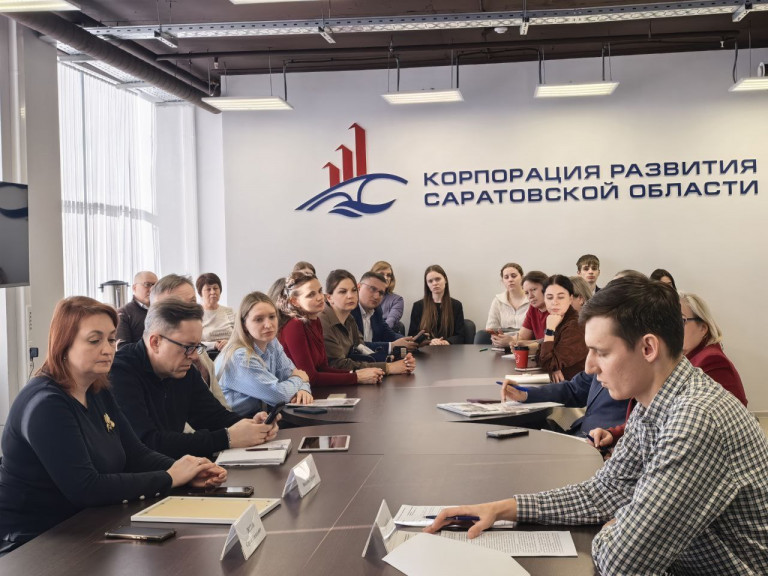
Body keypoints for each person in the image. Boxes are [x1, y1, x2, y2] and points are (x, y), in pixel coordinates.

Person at [428, 276, 768, 575]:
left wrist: (617, 526)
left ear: (648, 347)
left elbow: (623, 562)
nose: (589, 367)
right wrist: (504, 508)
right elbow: (605, 491)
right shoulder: (655, 401)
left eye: (601, 352)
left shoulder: (696, 419)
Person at [0, 297, 226, 552]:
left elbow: (136, 454)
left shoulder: (98, 389)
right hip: (33, 542)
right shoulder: (46, 404)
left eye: (110, 339)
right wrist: (169, 477)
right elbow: (86, 487)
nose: (107, 349)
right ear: (64, 344)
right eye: (94, 340)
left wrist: (187, 471)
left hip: (86, 525)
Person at [110, 299, 279, 459]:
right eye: (188, 347)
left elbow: (212, 416)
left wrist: (250, 425)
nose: (194, 356)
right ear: (155, 342)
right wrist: (227, 438)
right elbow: (147, 442)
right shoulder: (120, 372)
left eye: (197, 347)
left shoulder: (183, 368)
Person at [590, 290, 748, 449]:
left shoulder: (712, 361)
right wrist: (614, 434)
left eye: (680, 321)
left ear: (703, 327)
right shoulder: (680, 359)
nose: (671, 328)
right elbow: (654, 415)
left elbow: (693, 428)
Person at [277, 271, 384, 385]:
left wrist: (356, 373)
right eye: (311, 295)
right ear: (295, 301)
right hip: (297, 392)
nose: (319, 297)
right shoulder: (294, 325)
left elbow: (323, 367)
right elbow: (310, 377)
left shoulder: (315, 321)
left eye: (320, 291)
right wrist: (356, 377)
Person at [217, 292, 313, 416]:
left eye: (272, 317)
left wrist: (304, 391)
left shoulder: (272, 343)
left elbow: (292, 373)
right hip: (235, 423)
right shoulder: (239, 356)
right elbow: (278, 395)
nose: (268, 325)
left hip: (261, 418)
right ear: (244, 325)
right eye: (259, 319)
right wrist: (299, 379)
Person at [151, 274, 227, 408]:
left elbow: (219, 402)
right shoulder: (160, 360)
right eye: (179, 305)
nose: (190, 310)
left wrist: (238, 422)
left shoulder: (200, 351)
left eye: (192, 302)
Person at [320, 270, 414, 374]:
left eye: (353, 290)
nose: (350, 295)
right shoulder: (322, 323)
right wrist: (388, 367)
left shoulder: (349, 318)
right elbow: (338, 365)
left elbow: (361, 348)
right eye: (343, 291)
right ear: (329, 298)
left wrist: (388, 359)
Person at [351, 271, 418, 359]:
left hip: (373, 360)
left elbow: (388, 334)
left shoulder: (376, 309)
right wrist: (391, 346)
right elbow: (356, 346)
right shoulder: (349, 311)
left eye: (381, 293)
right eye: (372, 289)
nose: (376, 296)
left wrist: (411, 341)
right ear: (358, 287)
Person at [537, 275, 588, 382]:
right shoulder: (557, 319)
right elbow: (540, 357)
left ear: (570, 299)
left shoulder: (576, 325)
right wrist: (554, 367)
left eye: (560, 297)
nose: (554, 302)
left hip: (578, 387)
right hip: (563, 384)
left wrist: (550, 330)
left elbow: (547, 362)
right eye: (549, 297)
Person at [408, 265, 465, 345]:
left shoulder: (456, 305)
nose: (434, 283)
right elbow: (412, 335)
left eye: (438, 279)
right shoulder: (418, 306)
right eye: (430, 281)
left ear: (445, 280)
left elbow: (460, 336)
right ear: (427, 284)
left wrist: (446, 341)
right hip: (426, 349)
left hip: (449, 349)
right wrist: (430, 341)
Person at [485, 262, 529, 349]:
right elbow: (491, 328)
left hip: (526, 345)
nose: (510, 280)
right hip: (502, 345)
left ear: (522, 278)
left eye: (513, 276)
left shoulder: (531, 299)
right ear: (502, 281)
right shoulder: (498, 300)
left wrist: (512, 340)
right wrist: (497, 338)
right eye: (506, 277)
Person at [116, 270, 157, 348]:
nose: (152, 289)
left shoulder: (162, 310)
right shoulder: (123, 313)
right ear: (134, 288)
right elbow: (123, 348)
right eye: (147, 284)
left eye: (155, 286)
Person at [196, 272, 235, 352]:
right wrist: (214, 345)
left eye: (215, 288)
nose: (213, 292)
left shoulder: (229, 311)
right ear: (200, 293)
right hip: (208, 356)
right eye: (208, 289)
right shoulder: (196, 314)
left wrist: (229, 343)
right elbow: (193, 343)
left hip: (231, 353)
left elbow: (240, 337)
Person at [513, 270, 549, 341]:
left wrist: (527, 344)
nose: (530, 296)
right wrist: (508, 339)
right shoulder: (533, 308)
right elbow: (522, 336)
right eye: (526, 293)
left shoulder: (557, 308)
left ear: (546, 288)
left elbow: (550, 341)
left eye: (533, 290)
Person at [370, 260, 404, 329]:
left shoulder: (397, 300)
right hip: (363, 330)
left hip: (384, 330)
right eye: (381, 274)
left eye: (388, 275)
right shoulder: (363, 295)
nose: (386, 278)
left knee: (399, 326)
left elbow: (391, 321)